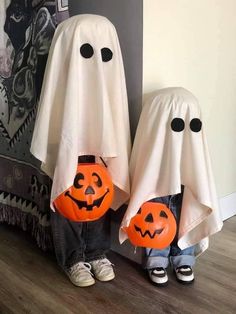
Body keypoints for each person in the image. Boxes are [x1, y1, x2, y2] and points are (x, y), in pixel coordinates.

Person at [30, 15, 131, 287]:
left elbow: (109, 90)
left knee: (99, 191)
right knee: (68, 190)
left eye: (105, 53)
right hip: (68, 134)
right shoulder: (64, 62)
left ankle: (97, 251)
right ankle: (72, 257)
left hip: (101, 139)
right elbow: (59, 98)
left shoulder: (108, 72)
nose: (96, 62)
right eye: (86, 52)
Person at [120, 87, 223, 286]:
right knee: (155, 209)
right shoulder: (157, 117)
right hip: (159, 177)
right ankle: (156, 258)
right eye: (177, 125)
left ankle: (183, 256)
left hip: (185, 181)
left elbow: (193, 147)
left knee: (187, 206)